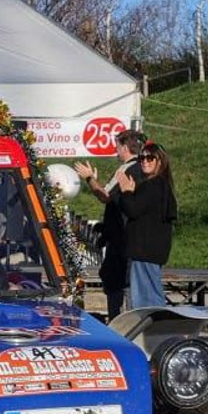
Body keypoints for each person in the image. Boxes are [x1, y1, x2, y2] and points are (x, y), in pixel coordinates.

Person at [74, 130, 140, 317]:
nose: (115, 150)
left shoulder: (126, 169)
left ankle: (118, 321)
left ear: (125, 147)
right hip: (129, 235)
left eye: (117, 146)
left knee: (116, 281)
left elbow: (105, 196)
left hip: (120, 236)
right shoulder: (141, 168)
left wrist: (89, 178)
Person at [116, 142, 178, 309]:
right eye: (141, 158)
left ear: (160, 161)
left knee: (146, 300)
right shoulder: (161, 185)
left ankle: (153, 331)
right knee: (149, 294)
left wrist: (127, 192)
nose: (144, 161)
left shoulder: (153, 185)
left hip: (144, 250)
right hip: (150, 250)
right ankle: (154, 330)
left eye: (150, 158)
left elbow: (133, 210)